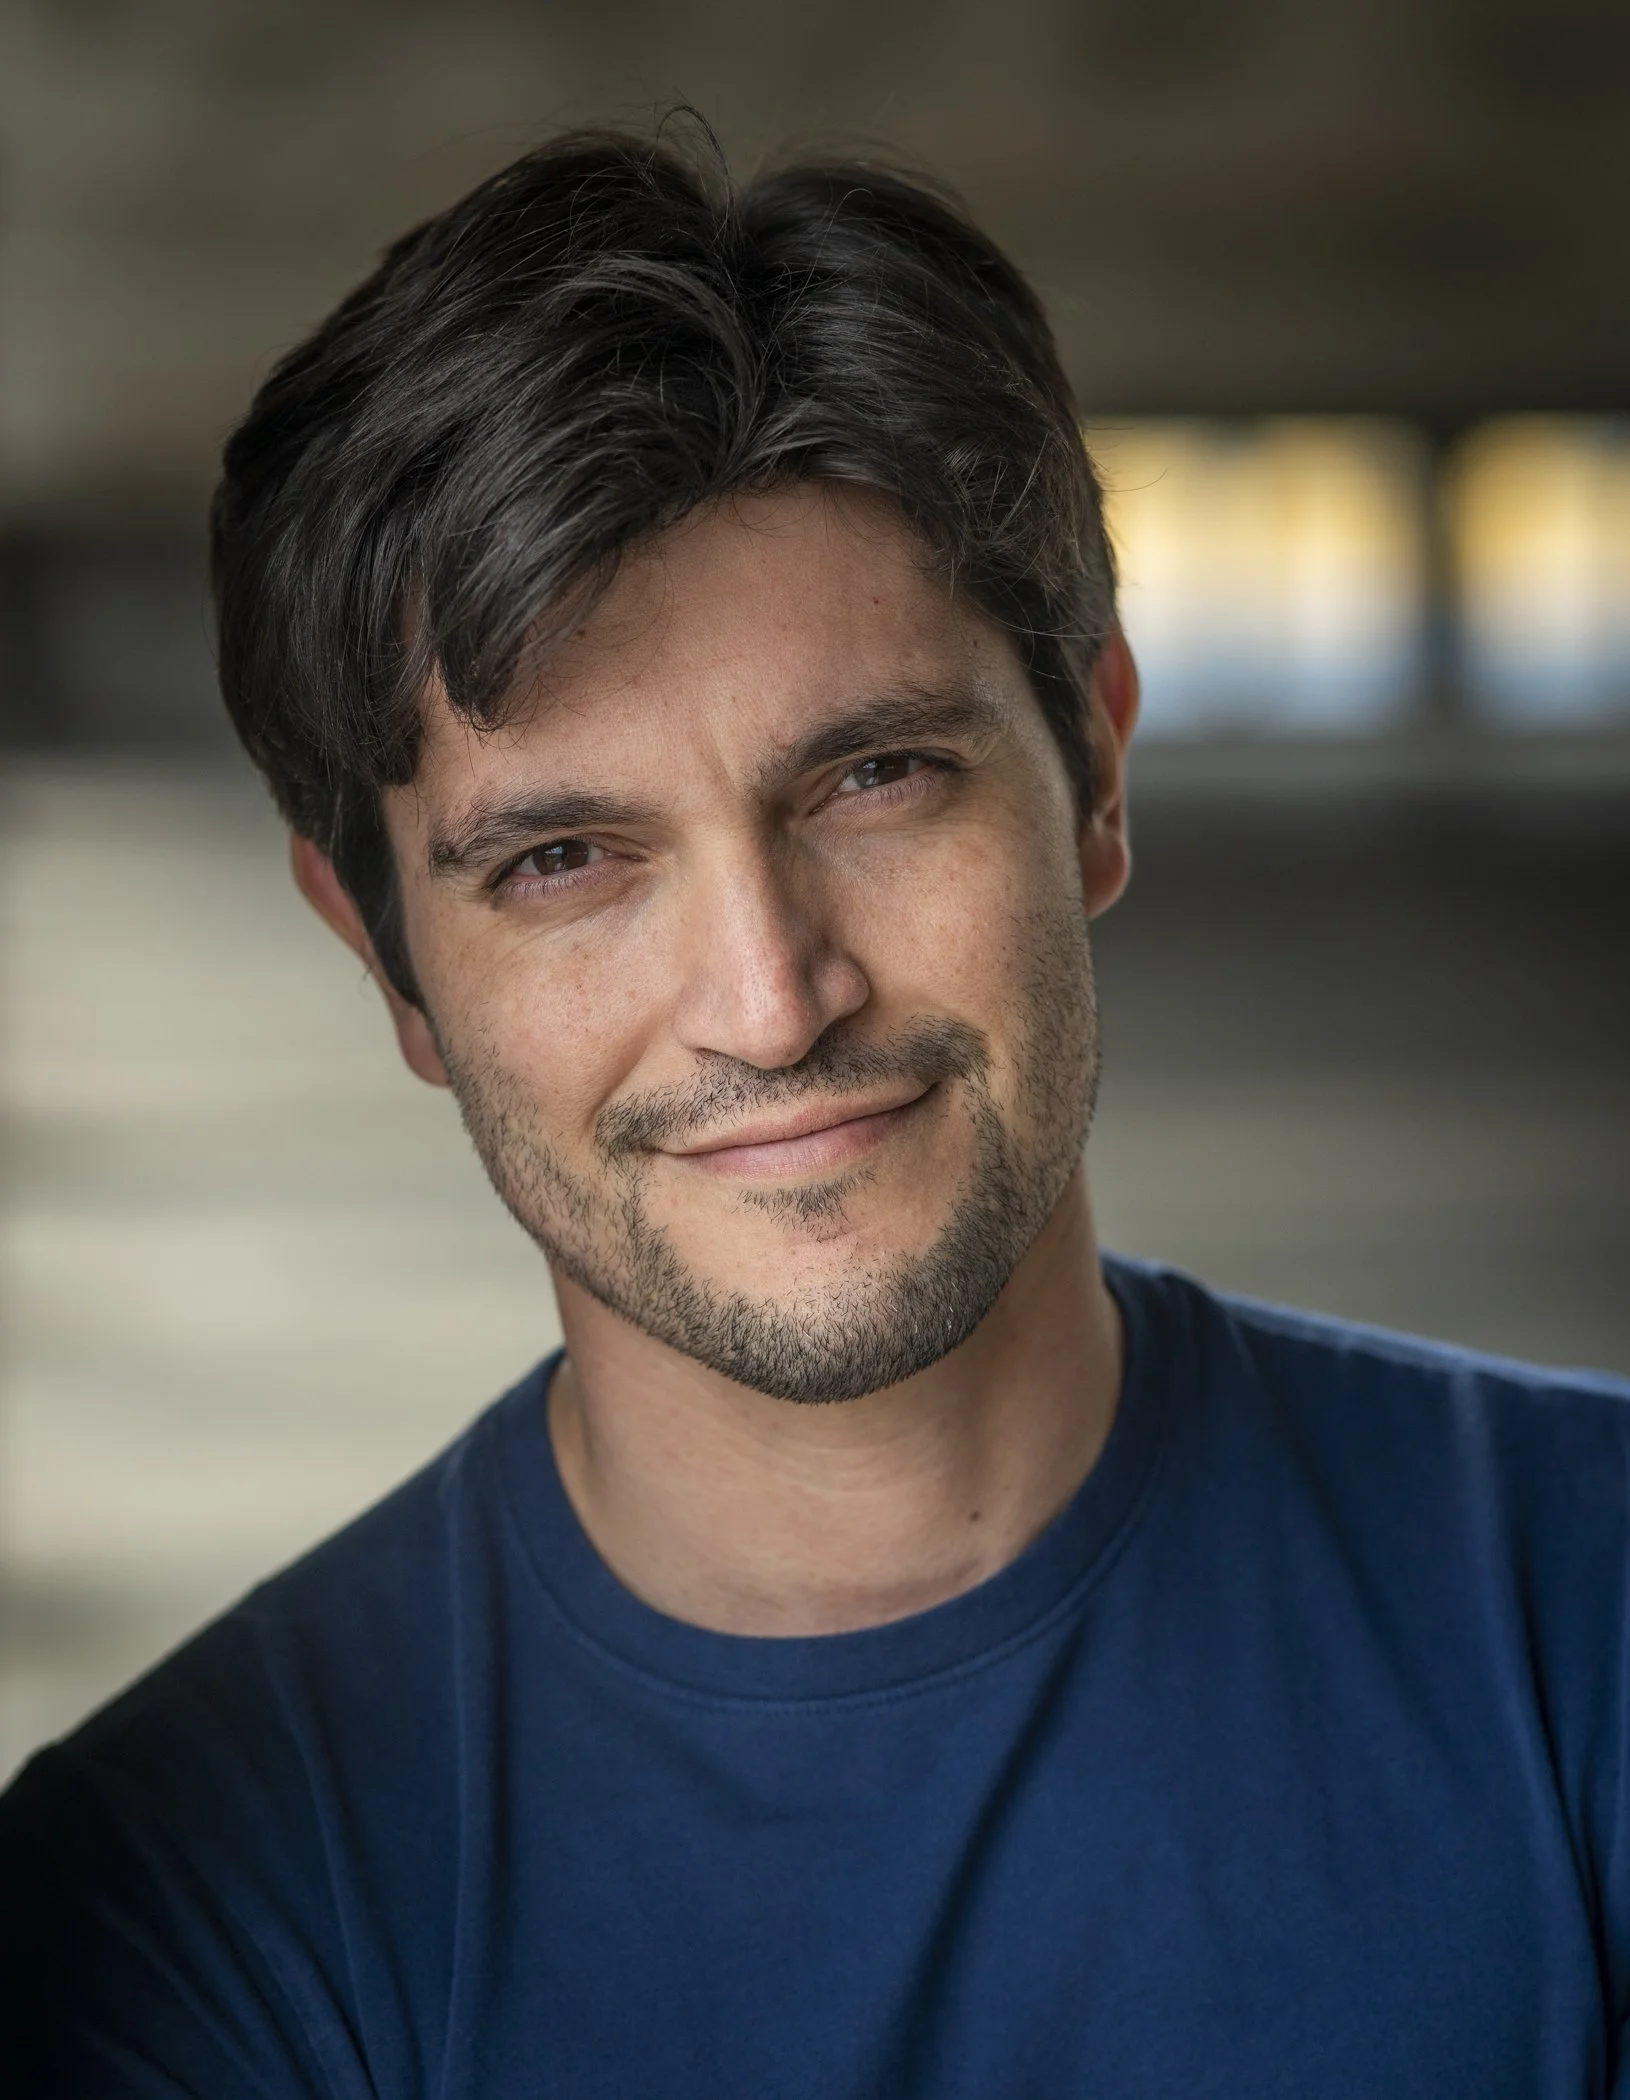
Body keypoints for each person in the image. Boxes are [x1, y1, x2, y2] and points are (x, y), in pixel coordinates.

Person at [3, 121, 1628, 2100]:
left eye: (868, 780)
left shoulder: (1587, 1610)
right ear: (381, 956)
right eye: (565, 861)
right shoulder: (184, 1917)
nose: (772, 1000)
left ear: (1094, 770)